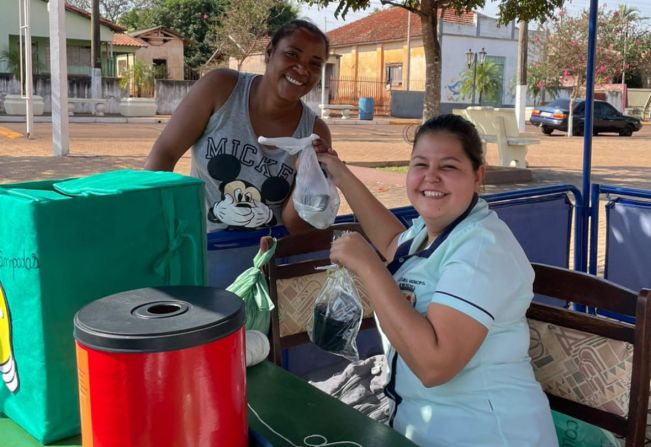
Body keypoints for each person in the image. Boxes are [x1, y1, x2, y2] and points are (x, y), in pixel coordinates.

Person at [318, 114, 558, 446]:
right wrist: (339, 172)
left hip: (486, 433)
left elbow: (435, 366)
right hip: (419, 427)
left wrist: (370, 268)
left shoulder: (482, 248)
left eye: (448, 167)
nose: (431, 177)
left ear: (477, 177)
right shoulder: (430, 232)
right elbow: (391, 244)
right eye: (420, 164)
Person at [145, 20, 332, 287]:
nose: (302, 68)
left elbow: (296, 225)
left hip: (267, 266)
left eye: (315, 63)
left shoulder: (314, 132)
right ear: (269, 53)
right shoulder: (221, 89)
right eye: (292, 54)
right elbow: (164, 153)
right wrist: (154, 227)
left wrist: (310, 178)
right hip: (205, 250)